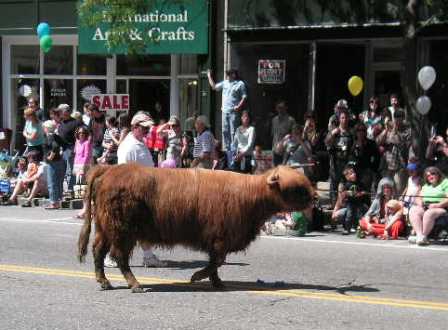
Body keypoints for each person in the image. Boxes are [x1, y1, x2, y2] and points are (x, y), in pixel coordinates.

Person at [111, 112, 166, 268]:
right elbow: (123, 172)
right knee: (128, 227)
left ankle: (148, 256)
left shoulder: (138, 142)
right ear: (135, 127)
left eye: (148, 129)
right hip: (134, 192)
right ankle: (112, 255)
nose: (147, 132)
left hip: (145, 190)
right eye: (144, 129)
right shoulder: (129, 147)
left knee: (142, 226)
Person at [207, 68, 247, 154]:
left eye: (229, 74)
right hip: (225, 111)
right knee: (225, 130)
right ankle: (228, 151)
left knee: (233, 131)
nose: (227, 76)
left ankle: (234, 151)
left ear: (234, 75)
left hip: (233, 111)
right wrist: (209, 76)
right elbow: (214, 87)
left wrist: (239, 106)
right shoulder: (225, 83)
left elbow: (244, 96)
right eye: (227, 74)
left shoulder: (240, 84)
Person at [408, 166, 448, 246]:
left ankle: (424, 236)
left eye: (433, 173)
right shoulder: (425, 186)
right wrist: (420, 203)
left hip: (441, 207)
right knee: (413, 210)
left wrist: (438, 205)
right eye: (428, 175)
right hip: (426, 206)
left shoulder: (445, 182)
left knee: (429, 213)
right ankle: (420, 236)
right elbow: (418, 198)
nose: (430, 176)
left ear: (438, 174)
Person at [376, 109, 411, 194]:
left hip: (400, 166)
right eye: (396, 117)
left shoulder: (407, 131)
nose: (397, 119)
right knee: (386, 190)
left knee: (399, 190)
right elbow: (378, 141)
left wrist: (394, 131)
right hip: (387, 165)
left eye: (400, 117)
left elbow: (401, 143)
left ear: (403, 118)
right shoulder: (388, 129)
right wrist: (385, 130)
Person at [325, 109, 354, 206]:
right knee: (334, 186)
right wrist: (332, 134)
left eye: (346, 117)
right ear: (339, 119)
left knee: (346, 186)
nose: (344, 120)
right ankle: (334, 206)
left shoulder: (351, 133)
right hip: (335, 162)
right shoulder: (335, 131)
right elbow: (327, 143)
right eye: (342, 117)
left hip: (347, 163)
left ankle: (344, 207)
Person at [332, 166, 369, 235]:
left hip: (359, 203)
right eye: (351, 174)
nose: (354, 174)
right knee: (349, 215)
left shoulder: (359, 183)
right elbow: (343, 194)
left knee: (360, 216)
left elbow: (365, 191)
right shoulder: (347, 184)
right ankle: (347, 229)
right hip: (350, 203)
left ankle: (361, 229)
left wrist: (360, 193)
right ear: (347, 177)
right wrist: (347, 193)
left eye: (354, 172)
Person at [57, 104, 82, 193]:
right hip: (62, 149)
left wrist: (75, 148)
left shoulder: (76, 123)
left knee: (71, 170)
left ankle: (71, 189)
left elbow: (80, 136)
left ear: (66, 112)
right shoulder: (61, 123)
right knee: (62, 171)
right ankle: (62, 190)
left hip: (71, 148)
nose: (59, 113)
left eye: (61, 111)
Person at [349, 123, 380, 194]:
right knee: (354, 192)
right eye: (359, 130)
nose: (361, 132)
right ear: (356, 132)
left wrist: (372, 169)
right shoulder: (352, 143)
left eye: (363, 130)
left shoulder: (371, 143)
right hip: (354, 172)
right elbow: (350, 158)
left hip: (367, 173)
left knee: (365, 193)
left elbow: (377, 157)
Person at [42, 120, 66, 210]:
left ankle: (54, 202)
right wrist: (60, 153)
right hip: (59, 161)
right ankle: (59, 200)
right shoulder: (56, 136)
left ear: (46, 128)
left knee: (52, 182)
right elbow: (64, 145)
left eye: (44, 127)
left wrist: (50, 157)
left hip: (53, 163)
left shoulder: (50, 137)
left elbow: (55, 147)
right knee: (58, 182)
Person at [271, 100, 296, 166]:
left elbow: (295, 135)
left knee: (284, 172)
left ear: (286, 108)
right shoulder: (274, 120)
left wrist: (287, 138)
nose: (280, 109)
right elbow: (273, 135)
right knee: (275, 172)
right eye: (278, 107)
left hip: (286, 152)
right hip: (275, 150)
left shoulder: (291, 120)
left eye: (282, 107)